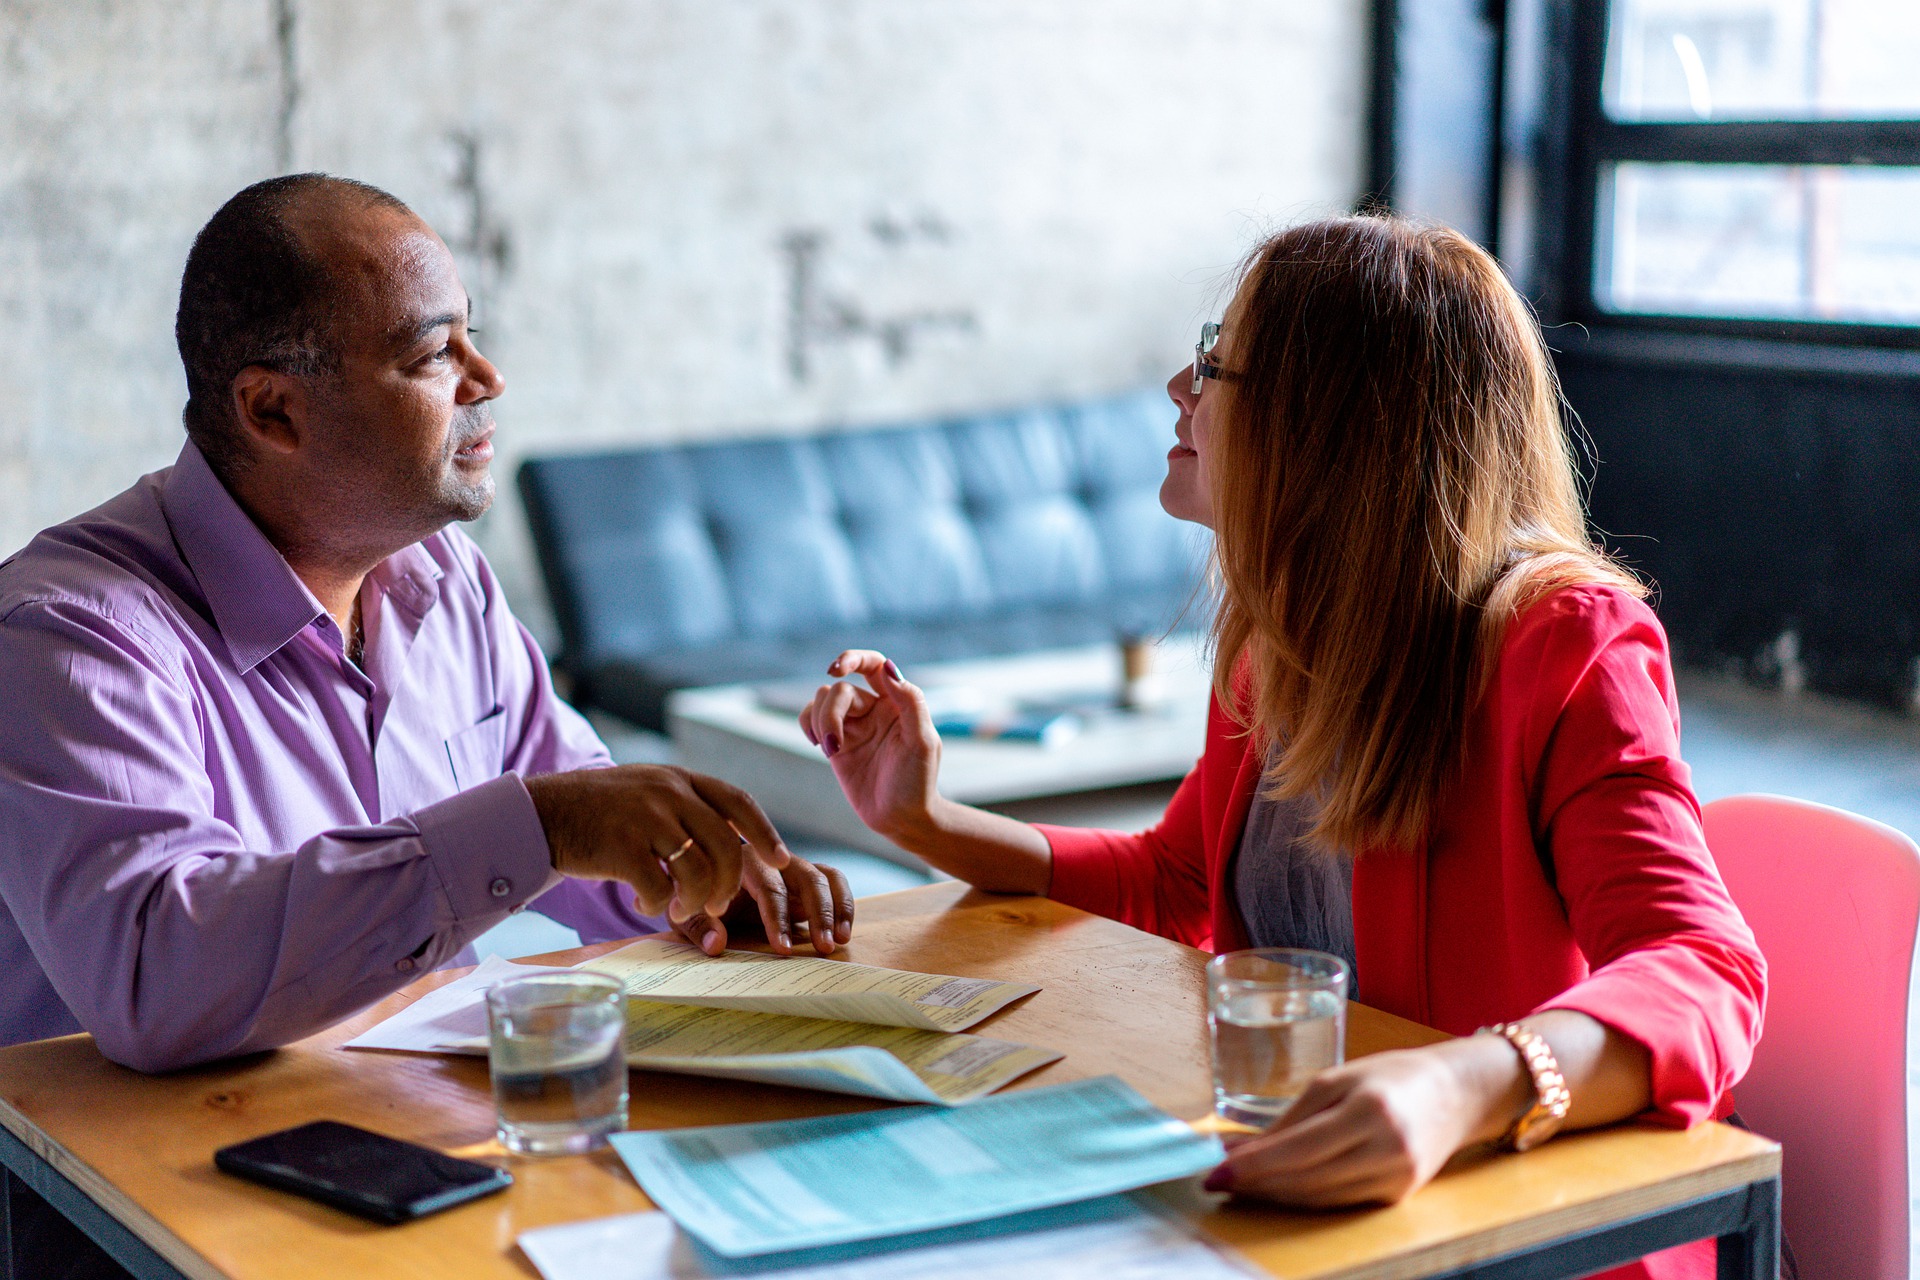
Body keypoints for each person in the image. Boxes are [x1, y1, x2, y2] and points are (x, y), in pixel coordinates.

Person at [799, 218, 1765, 1280]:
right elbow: (1176, 883)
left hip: (1517, 1228)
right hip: (1309, 1206)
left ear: (1335, 420)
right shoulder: (1278, 638)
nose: (1180, 382)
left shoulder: (1566, 641)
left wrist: (1462, 1082)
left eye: (1216, 360)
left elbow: (1703, 967)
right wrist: (924, 819)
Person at [0, 174, 854, 1079]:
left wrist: (709, 883)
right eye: (431, 355)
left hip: (414, 1124)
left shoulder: (445, 581)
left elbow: (588, 829)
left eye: (471, 335)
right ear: (273, 410)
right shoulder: (70, 638)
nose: (487, 379)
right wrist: (544, 828)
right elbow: (155, 977)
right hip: (140, 1189)